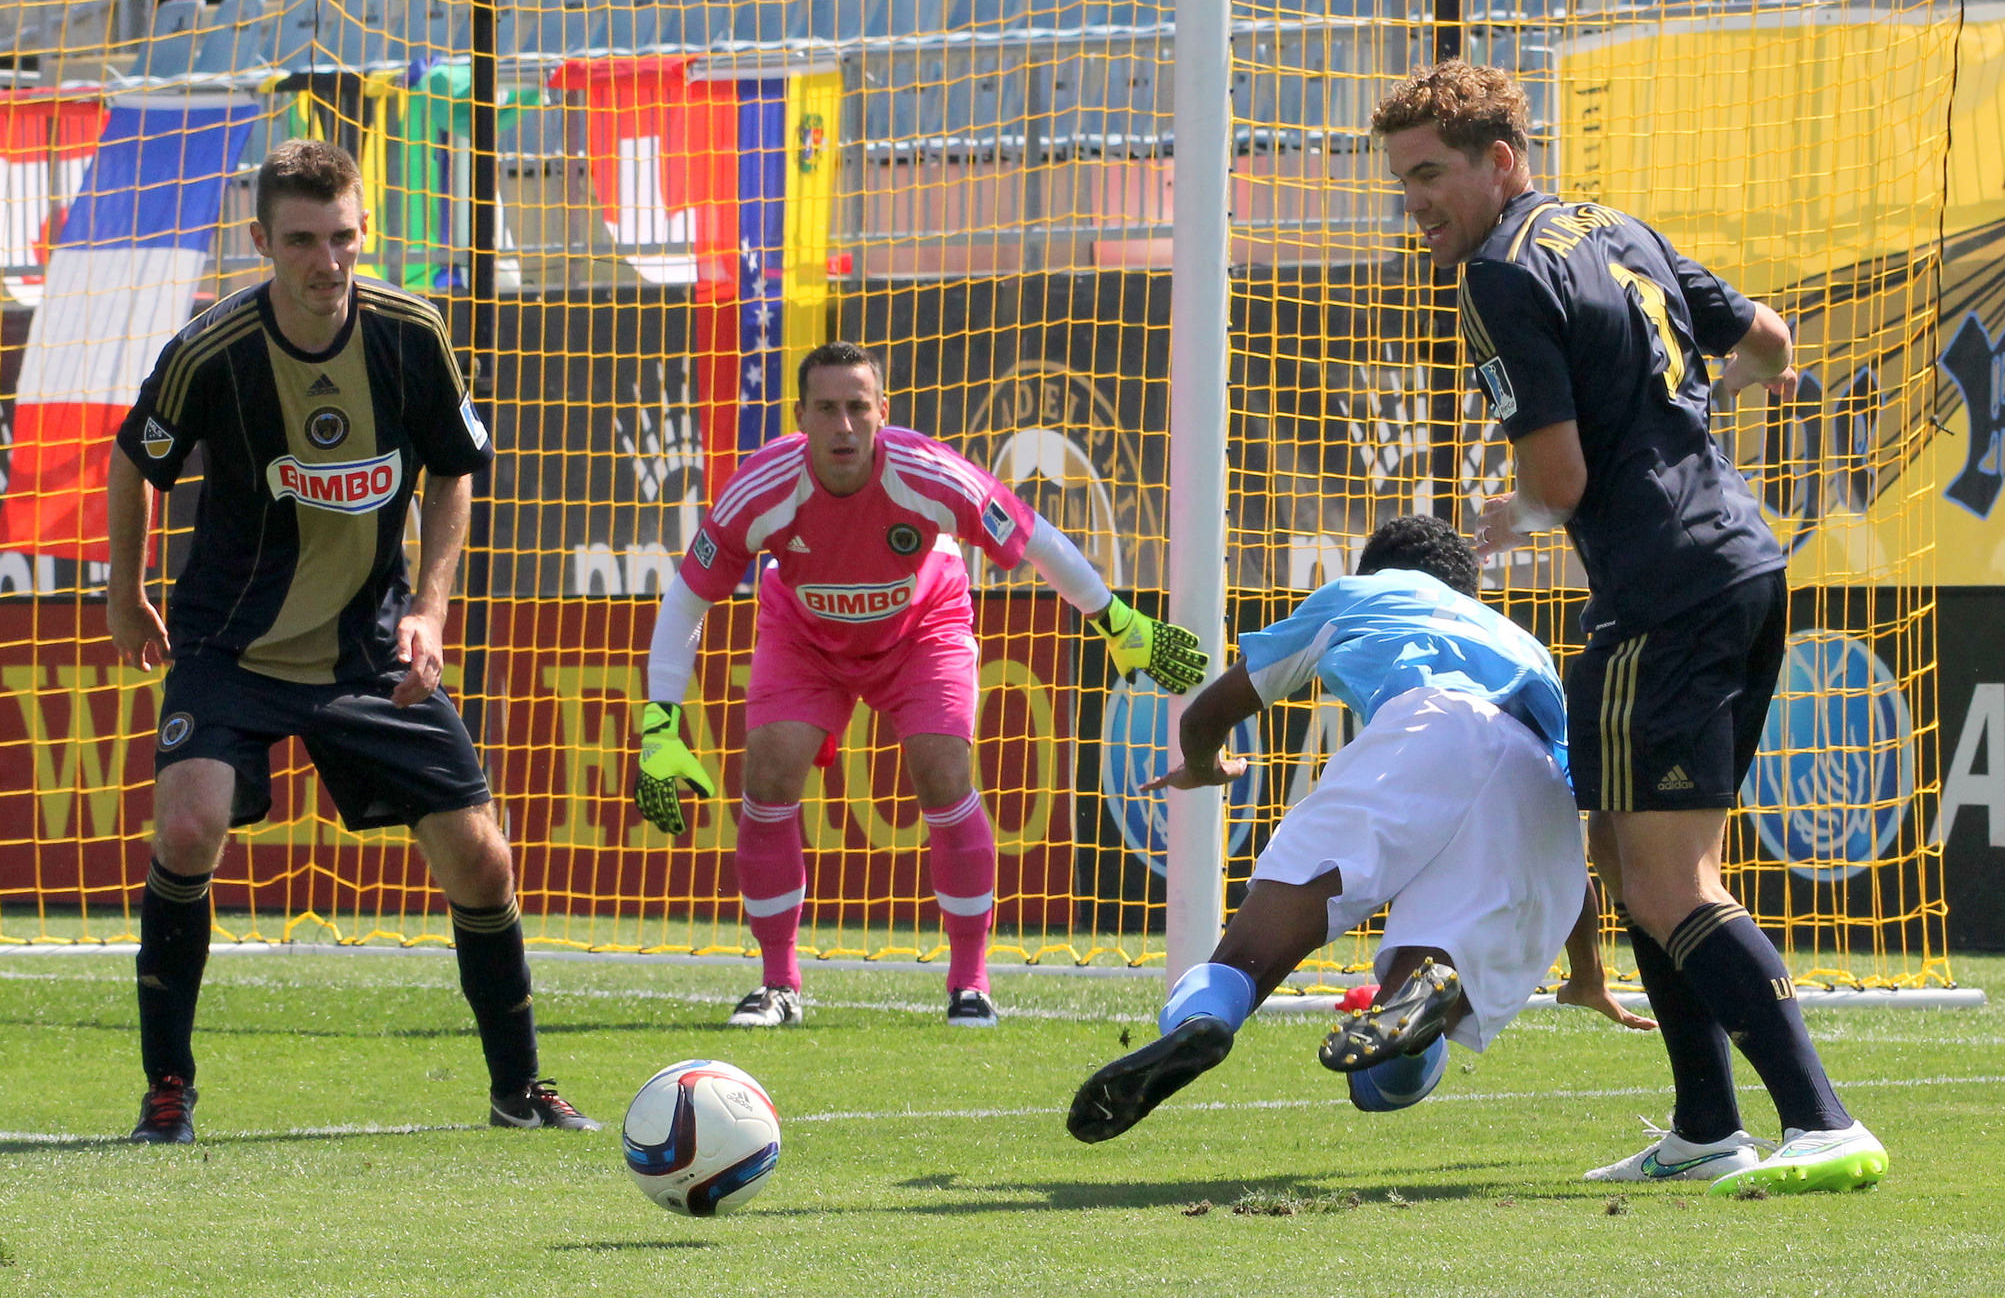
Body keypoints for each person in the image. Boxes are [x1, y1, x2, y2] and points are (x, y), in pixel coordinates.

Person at [1369, 60, 1887, 1195]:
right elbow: (1765, 337)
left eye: (1429, 176)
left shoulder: (1501, 275)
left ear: (1497, 161)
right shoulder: (1613, 226)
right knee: (1622, 846)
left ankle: (1820, 1116)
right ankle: (1706, 1122)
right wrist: (1704, 410)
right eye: (1400, 182)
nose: (1414, 204)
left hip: (1663, 592)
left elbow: (1557, 474)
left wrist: (1516, 514)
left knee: (1665, 880)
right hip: (1736, 564)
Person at [106, 139, 595, 1143]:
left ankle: (519, 1087)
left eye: (344, 237)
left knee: (483, 865)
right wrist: (123, 591)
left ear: (364, 232)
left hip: (370, 647)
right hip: (232, 645)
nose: (327, 261)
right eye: (302, 241)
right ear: (261, 242)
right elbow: (136, 458)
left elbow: (456, 465)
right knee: (189, 829)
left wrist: (430, 604)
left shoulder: (412, 334)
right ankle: (168, 1085)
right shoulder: (213, 350)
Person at [634, 340, 1208, 1029]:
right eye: (826, 409)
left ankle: (971, 982)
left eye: (856, 407)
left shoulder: (928, 472)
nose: (843, 425)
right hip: (804, 635)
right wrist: (659, 721)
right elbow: (687, 597)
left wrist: (1116, 620)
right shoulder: (761, 489)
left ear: (883, 411)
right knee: (768, 771)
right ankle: (778, 982)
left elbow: (1035, 539)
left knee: (942, 768)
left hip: (922, 626)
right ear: (800, 417)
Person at [1066, 515, 1648, 1143]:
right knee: (1380, 1085)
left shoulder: (1359, 596)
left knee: (1244, 960)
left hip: (1424, 732)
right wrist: (1588, 974)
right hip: (1533, 793)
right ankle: (1425, 999)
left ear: (1377, 570)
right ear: (1467, 591)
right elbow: (1568, 826)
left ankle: (1202, 1023)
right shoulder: (1523, 644)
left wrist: (1207, 767)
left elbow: (1210, 711)